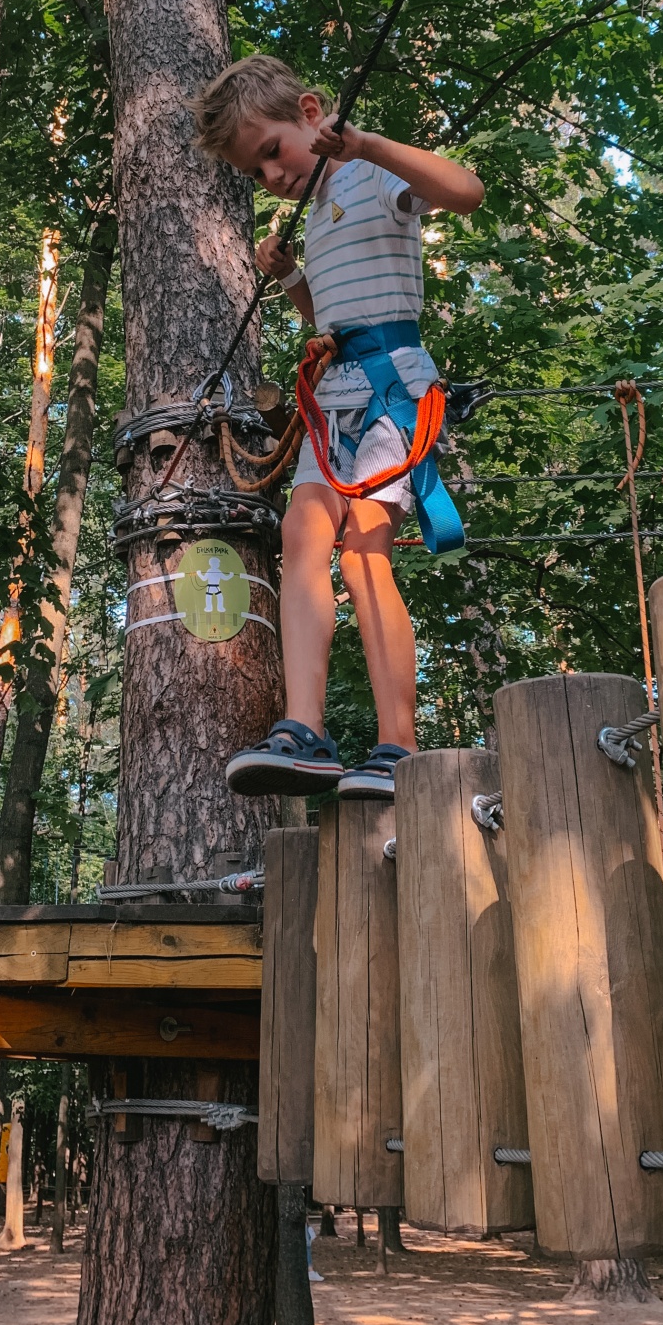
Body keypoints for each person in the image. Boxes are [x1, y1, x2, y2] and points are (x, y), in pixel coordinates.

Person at [187, 54, 484, 799]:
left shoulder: (369, 174)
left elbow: (468, 191)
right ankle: (305, 728)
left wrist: (370, 145)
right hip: (340, 387)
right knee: (300, 538)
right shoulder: (317, 211)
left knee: (363, 552)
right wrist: (290, 278)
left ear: (312, 113)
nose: (271, 177)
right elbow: (329, 317)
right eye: (255, 174)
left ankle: (397, 745)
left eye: (271, 152)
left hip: (393, 386)